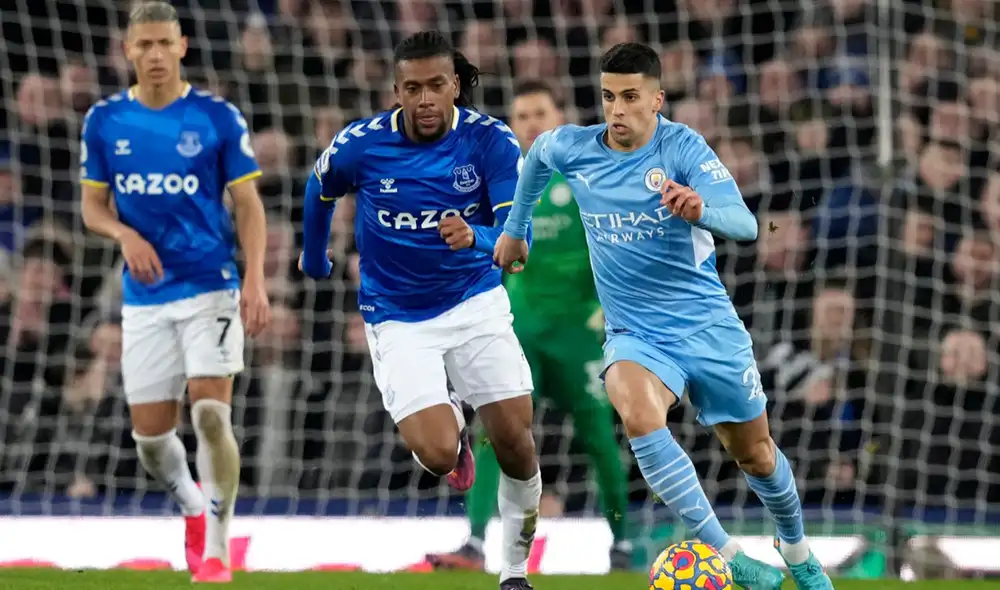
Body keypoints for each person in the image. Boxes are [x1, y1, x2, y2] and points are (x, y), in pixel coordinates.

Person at [494, 42, 835, 590]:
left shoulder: (682, 147)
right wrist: (516, 228)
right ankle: (728, 554)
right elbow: (537, 159)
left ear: (657, 99)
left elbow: (746, 225)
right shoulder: (574, 147)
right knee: (636, 411)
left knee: (756, 454)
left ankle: (795, 549)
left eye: (631, 97)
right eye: (609, 96)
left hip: (706, 327)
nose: (617, 109)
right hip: (636, 335)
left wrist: (701, 209)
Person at [299, 31, 540, 590]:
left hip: (475, 303)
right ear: (396, 91)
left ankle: (514, 573)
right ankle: (451, 421)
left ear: (455, 85)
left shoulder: (492, 142)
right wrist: (313, 254)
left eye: (436, 85)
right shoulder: (361, 144)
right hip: (397, 316)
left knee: (516, 442)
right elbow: (319, 188)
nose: (426, 99)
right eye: (413, 88)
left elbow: (518, 243)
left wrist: (476, 236)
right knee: (436, 456)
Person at [79, 2, 271, 584]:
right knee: (150, 440)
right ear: (128, 51)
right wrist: (124, 233)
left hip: (211, 285)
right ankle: (192, 507)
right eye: (145, 45)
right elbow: (92, 207)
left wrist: (255, 279)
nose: (156, 54)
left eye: (165, 43)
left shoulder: (216, 117)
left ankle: (217, 550)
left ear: (182, 46)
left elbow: (248, 204)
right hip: (145, 296)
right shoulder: (105, 120)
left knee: (210, 412)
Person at [427, 80, 632, 572]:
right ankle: (475, 542)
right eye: (521, 116)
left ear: (560, 116)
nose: (530, 123)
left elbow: (618, 248)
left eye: (539, 112)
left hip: (579, 333)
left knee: (600, 438)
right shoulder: (501, 181)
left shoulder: (590, 177)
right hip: (519, 331)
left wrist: (610, 308)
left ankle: (622, 544)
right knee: (496, 430)